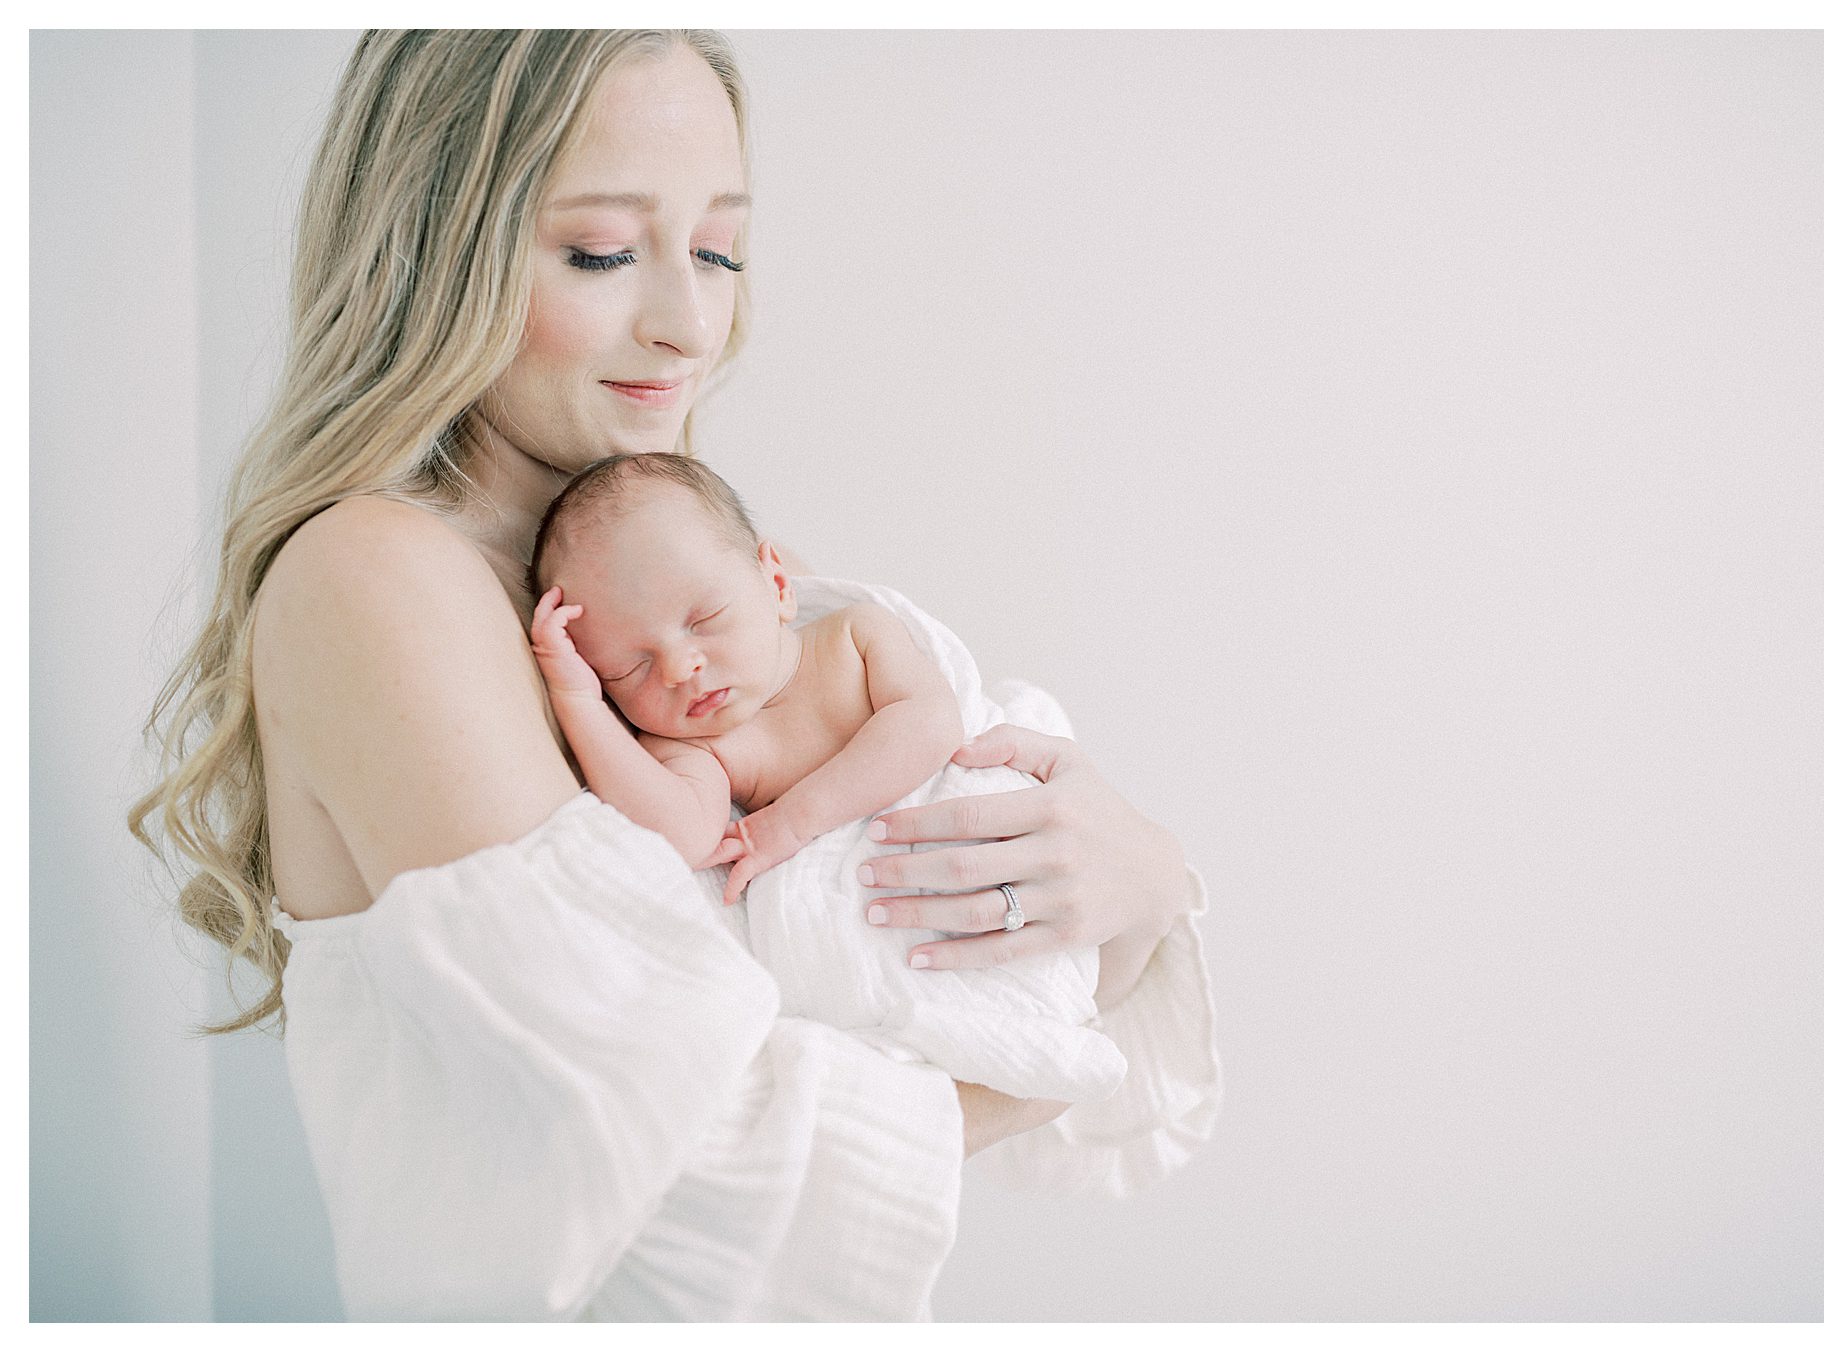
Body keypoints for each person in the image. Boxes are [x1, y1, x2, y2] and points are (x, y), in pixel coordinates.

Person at [130, 29, 1218, 1320]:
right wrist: (1113, 974)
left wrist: (1112, 888)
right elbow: (693, 1169)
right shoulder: (381, 581)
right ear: (433, 248)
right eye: (600, 252)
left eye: (719, 250)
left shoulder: (691, 597)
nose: (689, 321)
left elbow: (856, 985)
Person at [528, 450, 1127, 1104]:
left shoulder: (853, 637)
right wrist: (581, 704)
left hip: (982, 854)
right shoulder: (703, 748)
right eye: (628, 668)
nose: (680, 668)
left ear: (777, 585)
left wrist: (790, 822)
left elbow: (931, 725)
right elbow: (683, 833)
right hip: (882, 926)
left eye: (704, 621)